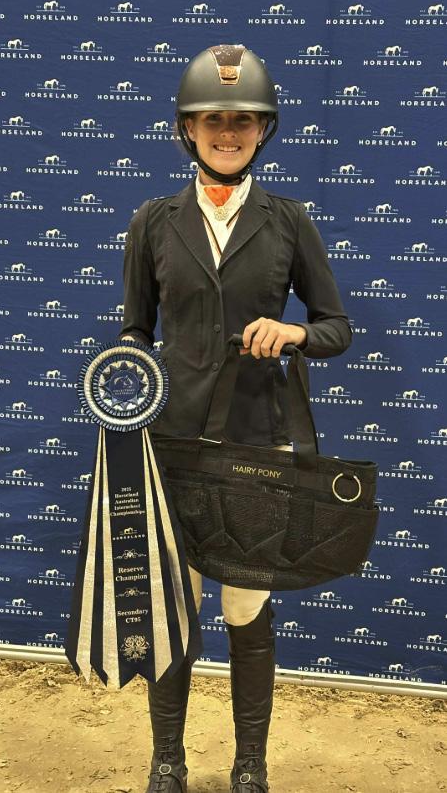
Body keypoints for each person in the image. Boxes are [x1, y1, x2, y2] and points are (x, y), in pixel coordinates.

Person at [119, 44, 352, 793]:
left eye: (243, 120)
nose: (228, 132)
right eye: (213, 119)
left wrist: (294, 333)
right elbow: (134, 331)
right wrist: (123, 380)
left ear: (263, 131)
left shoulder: (289, 221)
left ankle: (249, 763)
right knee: (174, 609)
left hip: (256, 440)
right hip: (170, 446)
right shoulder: (152, 222)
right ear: (187, 129)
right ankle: (167, 760)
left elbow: (335, 327)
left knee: (246, 608)